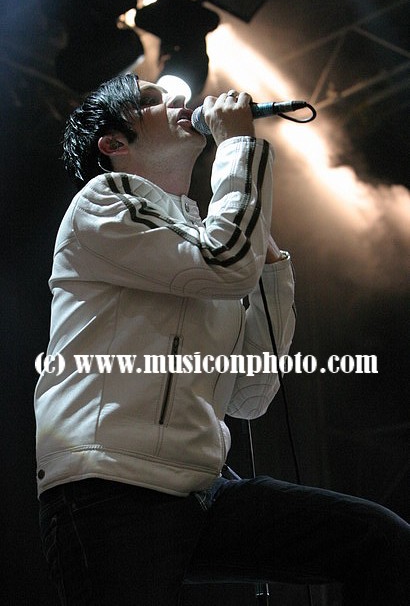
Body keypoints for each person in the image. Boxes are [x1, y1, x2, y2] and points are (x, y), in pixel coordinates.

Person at [35, 73, 409, 606]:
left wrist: (271, 267)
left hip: (199, 488)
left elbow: (250, 394)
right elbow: (225, 263)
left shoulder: (198, 233)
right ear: (114, 144)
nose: (178, 98)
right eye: (151, 100)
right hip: (110, 488)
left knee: (380, 542)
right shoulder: (103, 202)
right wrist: (237, 148)